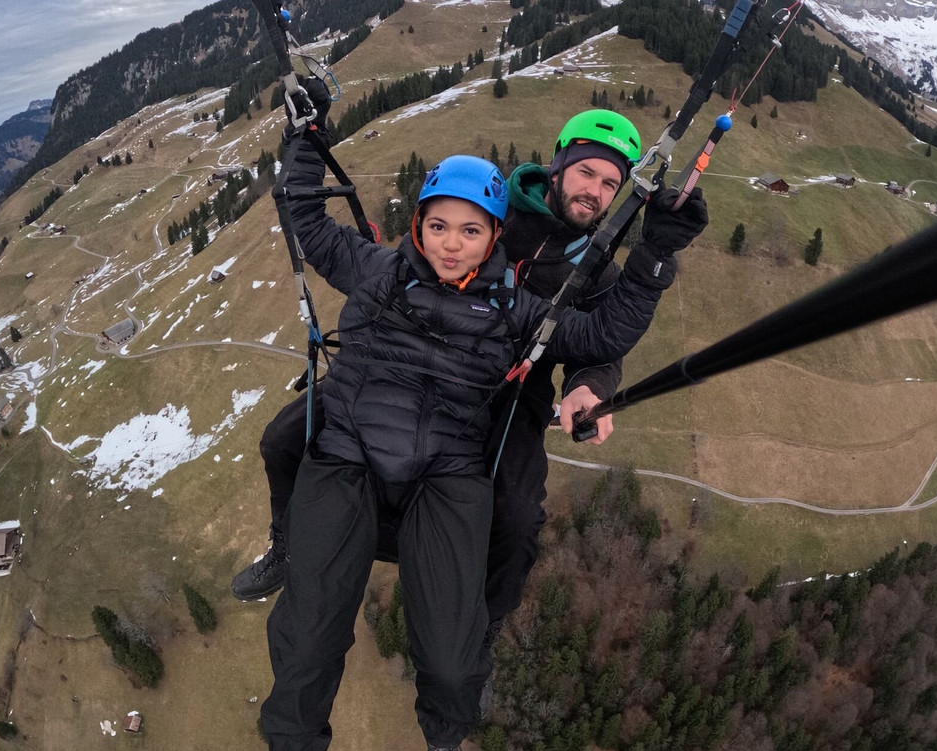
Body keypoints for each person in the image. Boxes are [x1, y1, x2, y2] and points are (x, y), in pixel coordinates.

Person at [260, 122, 678, 751]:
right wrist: (305, 141)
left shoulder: (519, 308)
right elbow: (306, 220)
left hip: (446, 469)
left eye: (470, 232)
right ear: (419, 227)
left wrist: (655, 256)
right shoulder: (379, 269)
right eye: (438, 227)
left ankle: (448, 719)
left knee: (461, 644)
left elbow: (601, 334)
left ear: (493, 239)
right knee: (306, 636)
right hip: (350, 454)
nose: (452, 244)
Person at [233, 109, 709, 649]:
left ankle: (484, 625)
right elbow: (420, 249)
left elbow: (598, 341)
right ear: (558, 167)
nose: (594, 193)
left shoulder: (597, 268)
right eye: (586, 173)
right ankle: (288, 545)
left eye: (609, 184)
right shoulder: (495, 209)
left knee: (517, 518)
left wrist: (589, 386)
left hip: (513, 389)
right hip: (410, 358)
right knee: (283, 440)